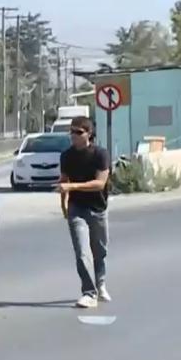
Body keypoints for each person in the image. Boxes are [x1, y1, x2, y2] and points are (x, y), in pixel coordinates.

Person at [57, 116, 111, 309]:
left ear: (89, 134)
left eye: (78, 132)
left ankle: (101, 283)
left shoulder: (100, 154)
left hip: (98, 208)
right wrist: (64, 205)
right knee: (82, 252)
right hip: (76, 208)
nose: (73, 136)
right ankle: (89, 293)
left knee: (99, 250)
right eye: (71, 132)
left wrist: (74, 186)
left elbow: (100, 184)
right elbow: (64, 181)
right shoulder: (66, 156)